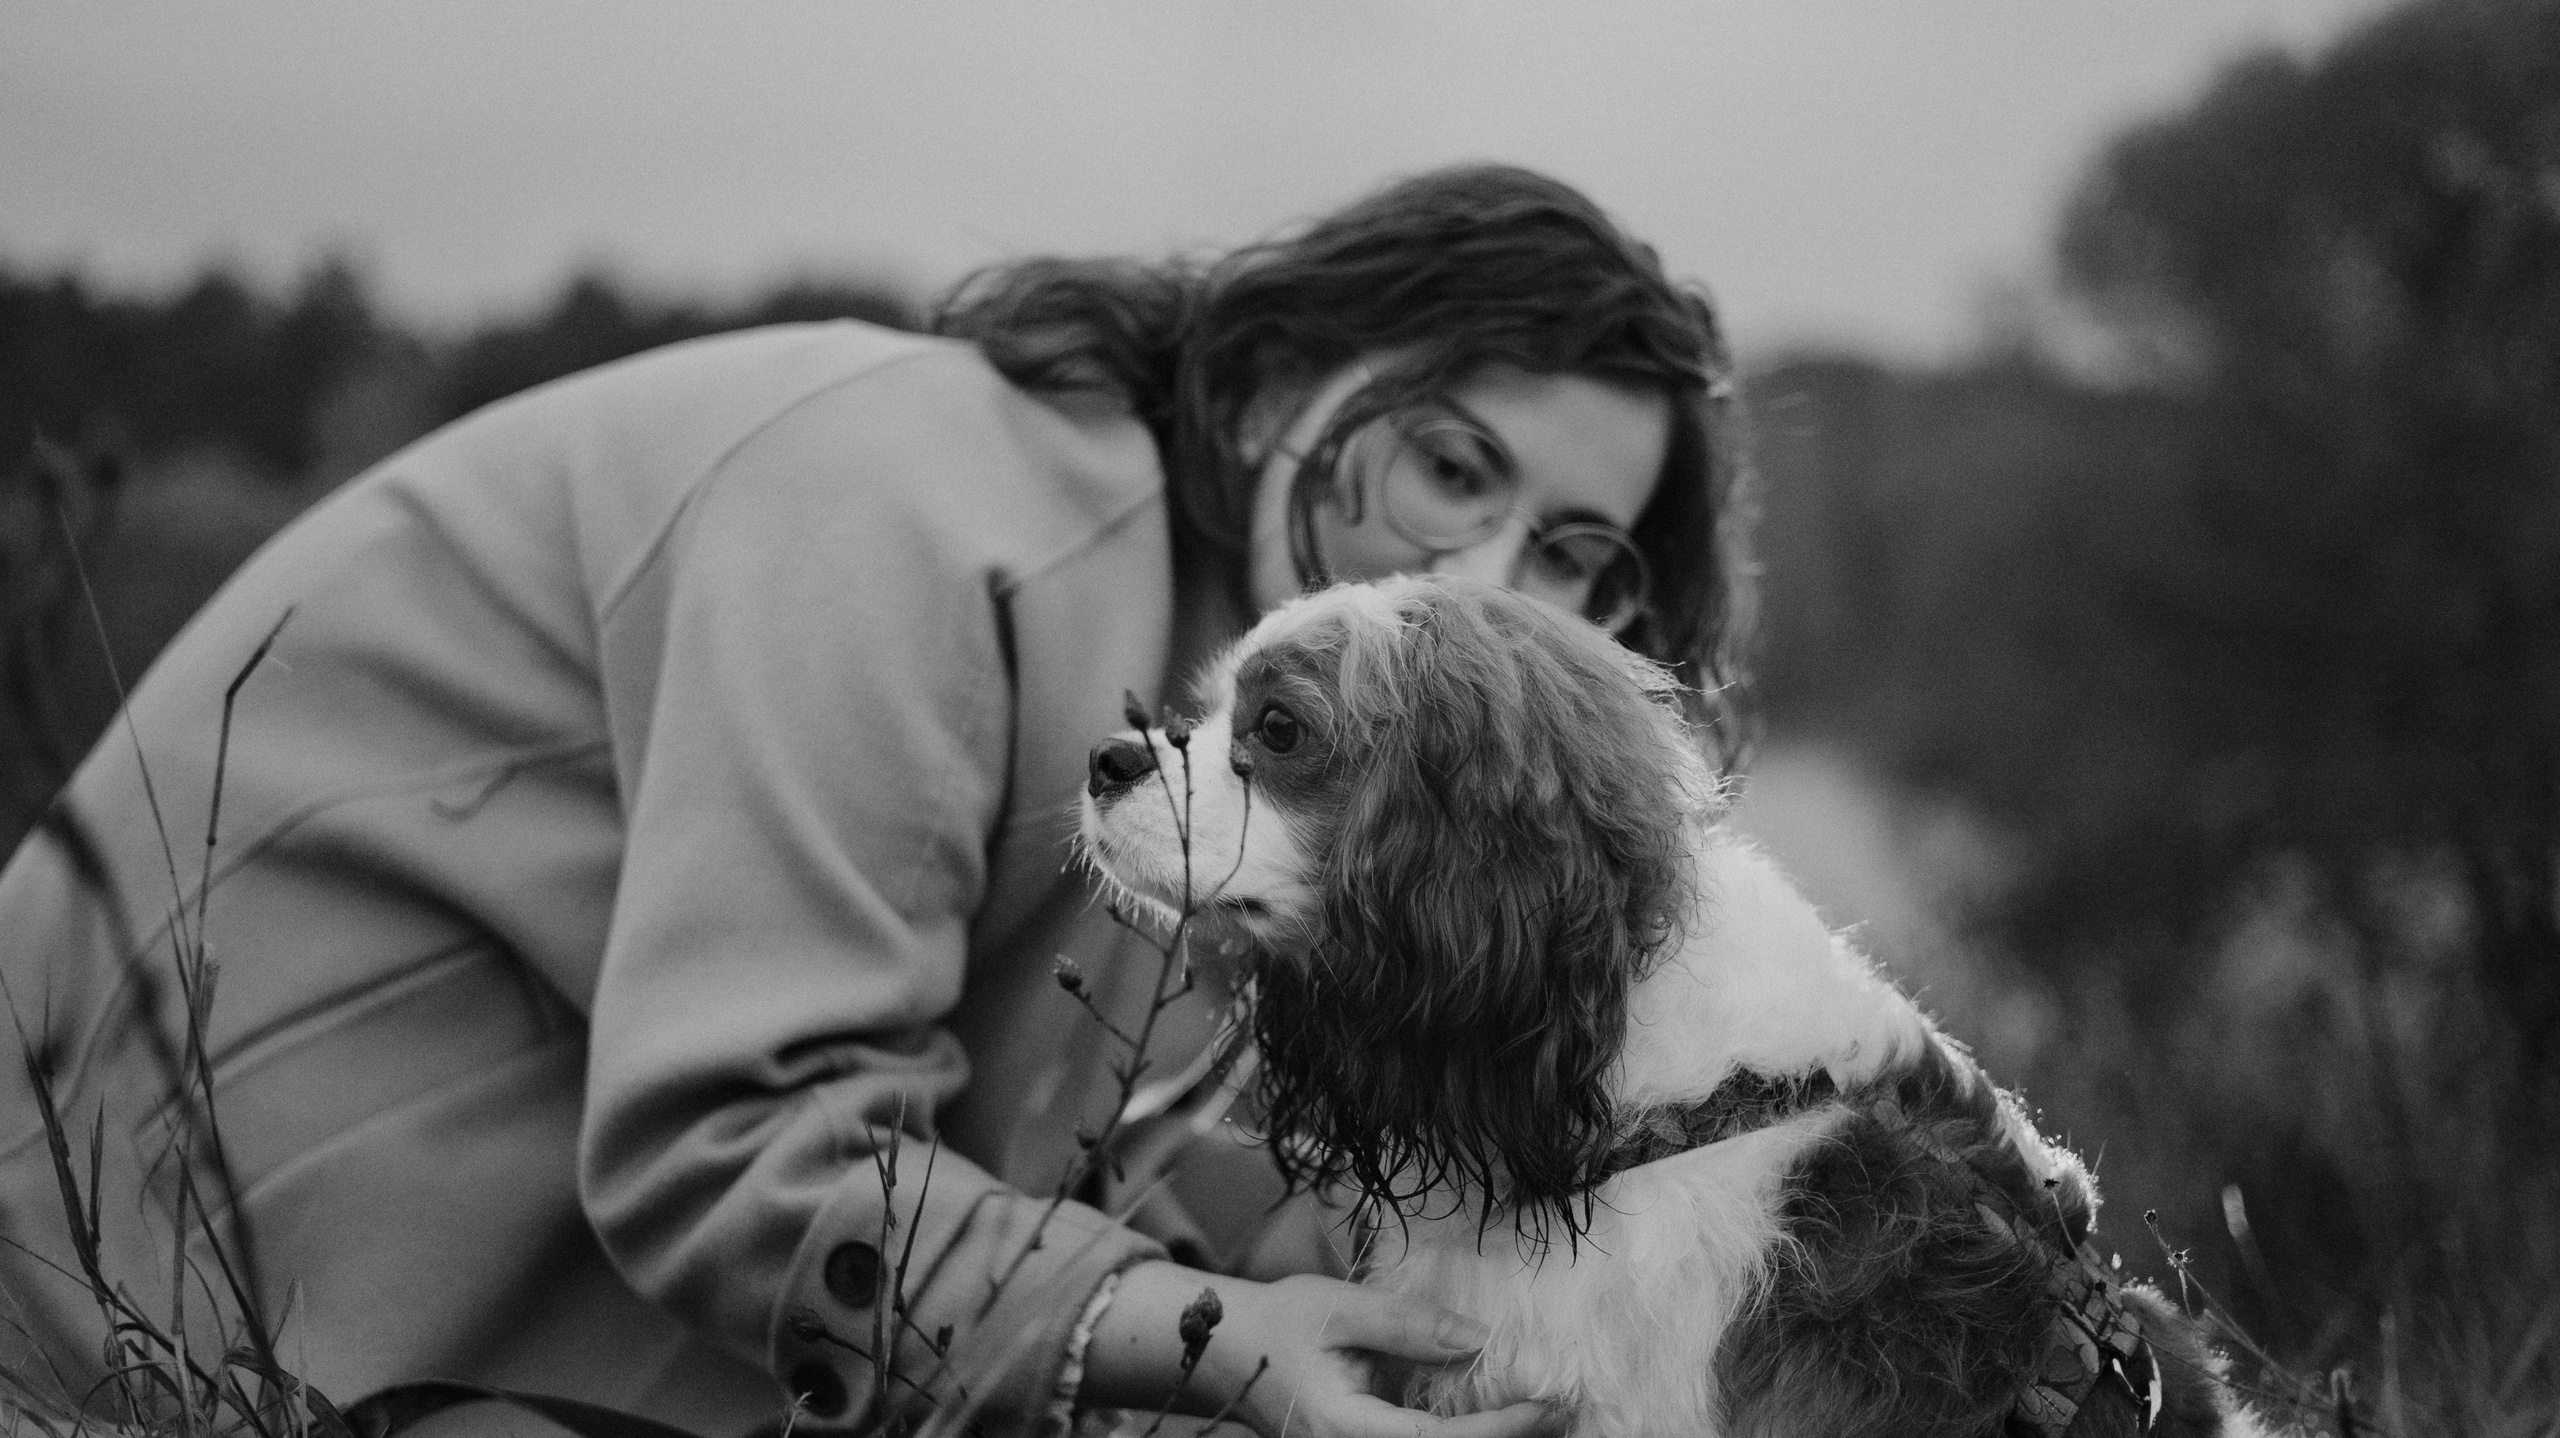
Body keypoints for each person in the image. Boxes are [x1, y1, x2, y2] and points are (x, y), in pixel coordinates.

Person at [0, 164, 1750, 1438]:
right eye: (1452, 461)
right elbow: (738, 1149)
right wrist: (1209, 1341)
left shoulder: (1256, 762)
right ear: (1288, 371)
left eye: (1571, 559)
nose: (1484, 569)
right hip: (115, 1286)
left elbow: (1117, 1179)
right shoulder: (926, 509)